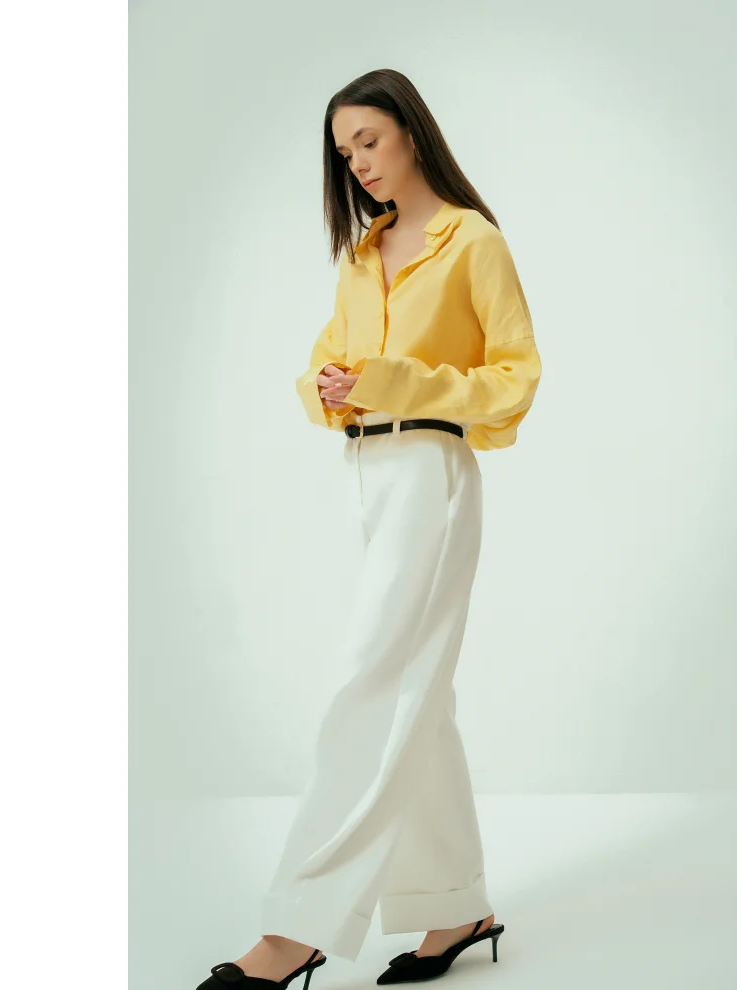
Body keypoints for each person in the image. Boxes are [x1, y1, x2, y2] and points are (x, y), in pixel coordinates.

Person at [196, 68, 541, 989]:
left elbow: (514, 381)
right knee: (417, 696)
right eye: (345, 152)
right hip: (367, 475)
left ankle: (298, 925)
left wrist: (389, 381)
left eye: (369, 141)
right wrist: (330, 389)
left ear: (411, 133)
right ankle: (458, 903)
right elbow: (323, 367)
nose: (358, 164)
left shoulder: (472, 242)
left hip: (432, 469)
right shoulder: (362, 254)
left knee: (372, 685)